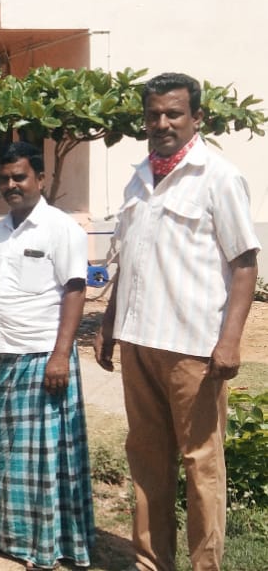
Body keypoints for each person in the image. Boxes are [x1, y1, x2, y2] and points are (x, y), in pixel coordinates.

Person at [95, 72, 260, 571]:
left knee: (200, 463)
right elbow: (127, 259)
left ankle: (204, 565)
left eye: (174, 113)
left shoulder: (219, 177)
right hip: (139, 340)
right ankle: (151, 562)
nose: (162, 122)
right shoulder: (138, 176)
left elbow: (245, 264)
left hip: (194, 347)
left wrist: (229, 341)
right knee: (146, 459)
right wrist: (108, 324)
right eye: (153, 115)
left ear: (197, 118)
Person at [0, 142, 94, 568]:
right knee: (6, 457)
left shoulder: (62, 228)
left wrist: (61, 355)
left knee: (44, 462)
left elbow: (76, 290)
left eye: (19, 177)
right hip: (5, 359)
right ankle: (10, 537)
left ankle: (48, 547)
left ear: (39, 179)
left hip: (44, 359)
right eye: (4, 178)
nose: (11, 185)